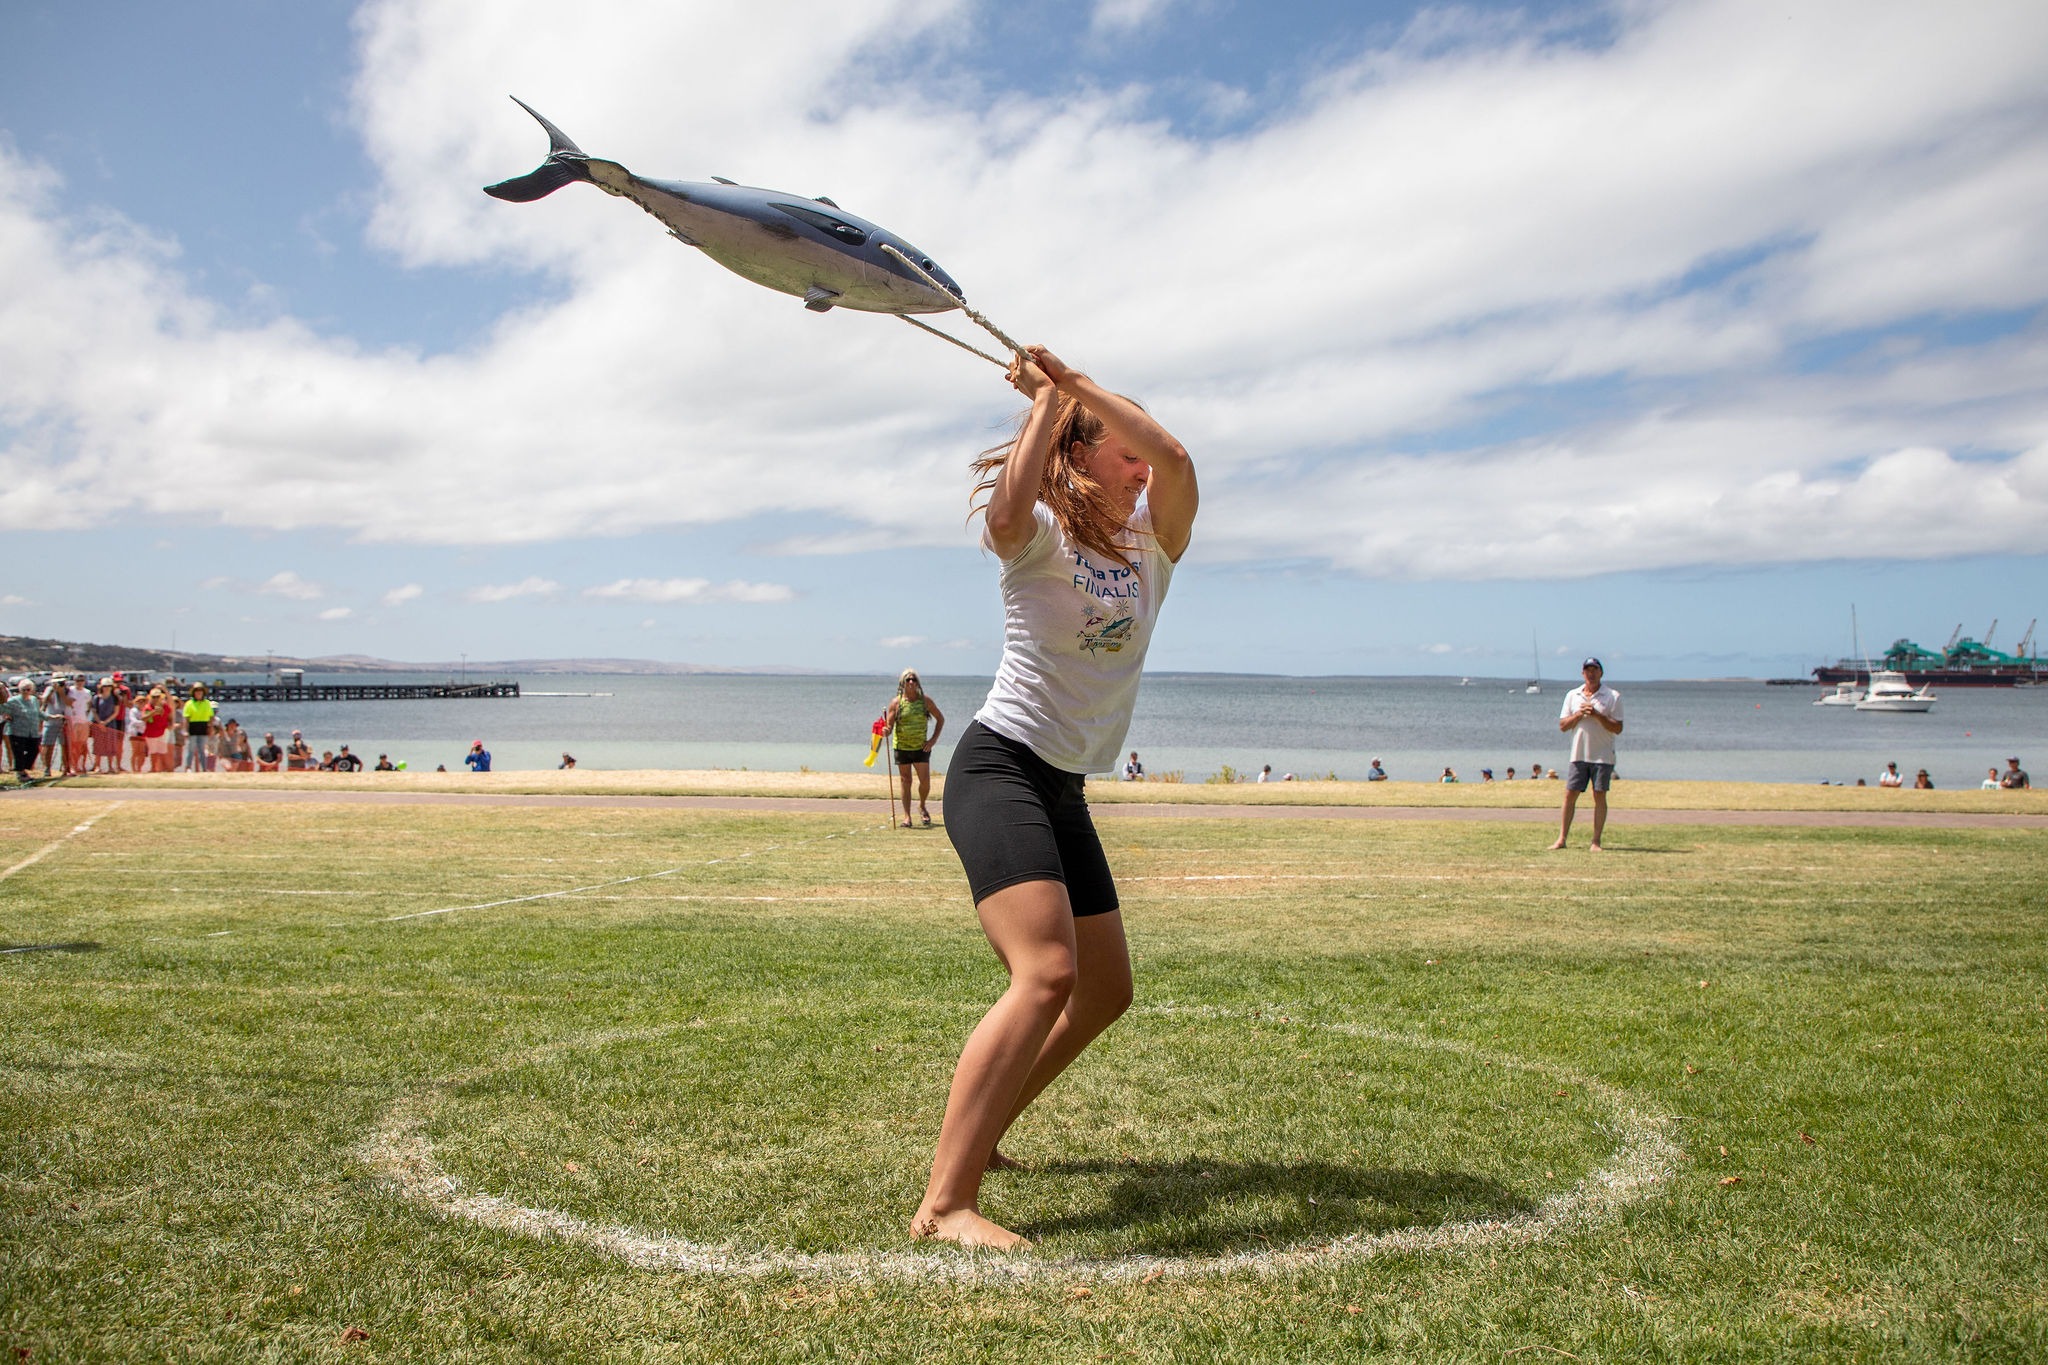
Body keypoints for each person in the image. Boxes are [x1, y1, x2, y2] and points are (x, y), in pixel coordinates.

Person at [912, 342, 1197, 1251]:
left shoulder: (1156, 545)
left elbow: (1182, 459)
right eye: (1121, 448)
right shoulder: (1037, 537)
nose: (1142, 464)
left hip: (1063, 784)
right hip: (1000, 767)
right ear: (1078, 455)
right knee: (1047, 973)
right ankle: (946, 1202)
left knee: (1103, 990)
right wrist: (1048, 407)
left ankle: (983, 1134)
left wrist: (1072, 385)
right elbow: (1005, 507)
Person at [1551, 657, 1624, 851]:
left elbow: (1617, 728)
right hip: (1578, 754)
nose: (1591, 673)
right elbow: (1563, 726)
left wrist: (1597, 715)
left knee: (1599, 795)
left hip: (1602, 755)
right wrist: (1578, 715)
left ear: (1601, 673)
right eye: (1587, 670)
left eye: (1595, 670)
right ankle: (1562, 838)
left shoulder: (1612, 696)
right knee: (1570, 795)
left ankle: (1596, 841)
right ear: (1583, 673)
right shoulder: (1573, 695)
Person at [883, 670, 945, 827]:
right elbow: (889, 726)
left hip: (921, 747)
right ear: (902, 683)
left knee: (924, 781)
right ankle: (907, 817)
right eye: (908, 679)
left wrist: (933, 740)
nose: (911, 682)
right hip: (902, 747)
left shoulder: (925, 701)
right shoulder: (896, 703)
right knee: (906, 780)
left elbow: (940, 719)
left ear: (918, 683)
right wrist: (886, 731)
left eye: (914, 679)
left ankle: (922, 806)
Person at [3, 679, 44, 783]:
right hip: (17, 731)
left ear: (32, 690)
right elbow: (3, 709)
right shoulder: (13, 701)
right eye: (23, 689)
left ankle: (21, 768)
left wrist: (52, 717)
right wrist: (6, 715)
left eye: (28, 689)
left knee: (34, 750)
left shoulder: (34, 700)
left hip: (32, 731)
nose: (26, 691)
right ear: (20, 690)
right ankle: (21, 772)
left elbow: (39, 714)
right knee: (19, 753)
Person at [180, 684, 217, 772]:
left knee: (202, 750)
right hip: (192, 726)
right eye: (197, 691)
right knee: (191, 749)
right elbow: (186, 718)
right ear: (194, 693)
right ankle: (188, 767)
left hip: (203, 726)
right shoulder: (189, 703)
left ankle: (204, 768)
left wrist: (211, 728)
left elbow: (211, 717)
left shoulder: (207, 703)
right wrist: (185, 730)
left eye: (200, 691)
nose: (199, 693)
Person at [91, 679, 125, 773]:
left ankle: (110, 766)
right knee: (98, 745)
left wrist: (106, 722)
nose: (106, 688)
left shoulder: (115, 698)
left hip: (110, 724)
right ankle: (97, 766)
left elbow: (116, 712)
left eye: (108, 686)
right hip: (99, 724)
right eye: (105, 686)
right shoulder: (97, 698)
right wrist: (100, 722)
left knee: (110, 745)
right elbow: (94, 711)